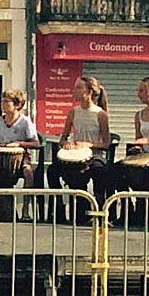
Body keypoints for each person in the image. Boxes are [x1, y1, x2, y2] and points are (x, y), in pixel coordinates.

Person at [47, 76, 111, 224]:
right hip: (75, 153)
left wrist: (88, 144)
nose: (74, 91)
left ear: (89, 92)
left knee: (99, 169)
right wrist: (66, 144)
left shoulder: (100, 114)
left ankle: (99, 211)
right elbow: (63, 138)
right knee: (53, 171)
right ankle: (58, 210)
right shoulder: (73, 112)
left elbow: (106, 143)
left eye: (78, 88)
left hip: (94, 154)